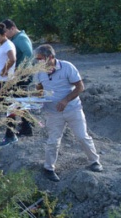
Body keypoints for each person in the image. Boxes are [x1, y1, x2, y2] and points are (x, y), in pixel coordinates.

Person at [33, 44, 103, 182]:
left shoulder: (67, 67)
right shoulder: (39, 72)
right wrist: (35, 101)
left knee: (82, 137)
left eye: (40, 59)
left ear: (51, 57)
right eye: (37, 59)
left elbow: (80, 86)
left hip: (73, 109)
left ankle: (94, 161)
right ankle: (49, 168)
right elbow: (39, 90)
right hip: (52, 113)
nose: (38, 62)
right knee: (53, 141)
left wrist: (65, 100)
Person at [3, 19, 34, 136]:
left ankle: (27, 128)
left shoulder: (21, 38)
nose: (5, 35)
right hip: (19, 74)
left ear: (12, 28)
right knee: (20, 101)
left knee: (20, 101)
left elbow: (29, 53)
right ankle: (26, 124)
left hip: (22, 75)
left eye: (6, 31)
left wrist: (19, 70)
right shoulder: (15, 38)